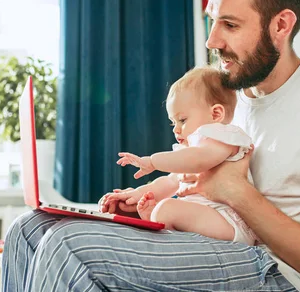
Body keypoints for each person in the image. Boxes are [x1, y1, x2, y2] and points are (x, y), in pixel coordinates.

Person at [0, 0, 300, 292]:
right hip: (213, 240)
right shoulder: (226, 100)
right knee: (29, 229)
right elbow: (190, 179)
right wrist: (141, 198)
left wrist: (236, 192)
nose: (212, 40)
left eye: (230, 25)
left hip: (280, 275)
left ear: (281, 24)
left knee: (71, 247)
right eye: (213, 19)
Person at [102, 66, 259, 245]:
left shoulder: (225, 137)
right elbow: (170, 182)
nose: (176, 129)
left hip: (231, 223)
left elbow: (199, 159)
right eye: (172, 123)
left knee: (167, 209)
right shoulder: (190, 151)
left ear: (216, 113)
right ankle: (155, 222)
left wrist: (153, 161)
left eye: (182, 120)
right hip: (208, 219)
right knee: (162, 208)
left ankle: (157, 224)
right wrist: (137, 194)